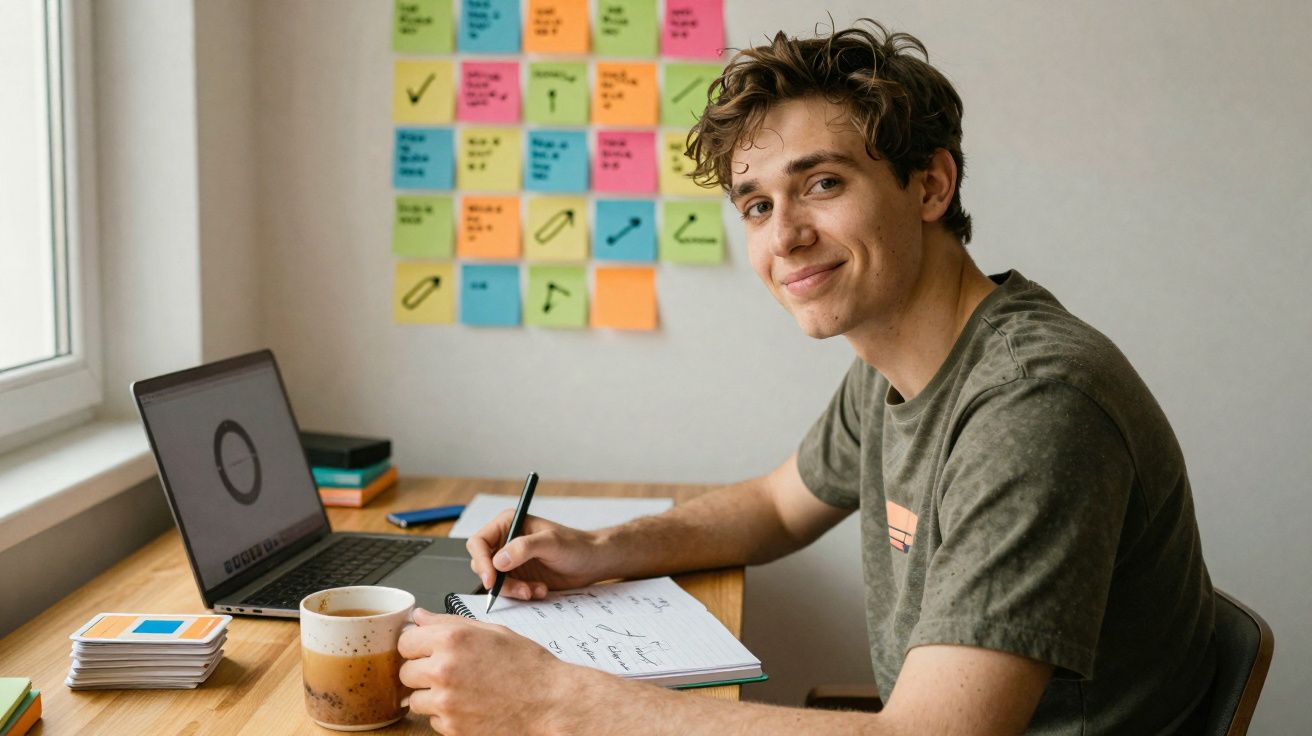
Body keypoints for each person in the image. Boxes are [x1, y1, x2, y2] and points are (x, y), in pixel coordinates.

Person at [397, 20, 1216, 735]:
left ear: (930, 184)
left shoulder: (1034, 404)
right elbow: (775, 506)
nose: (784, 236)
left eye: (822, 184)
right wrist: (599, 549)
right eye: (756, 205)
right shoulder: (897, 356)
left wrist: (554, 707)